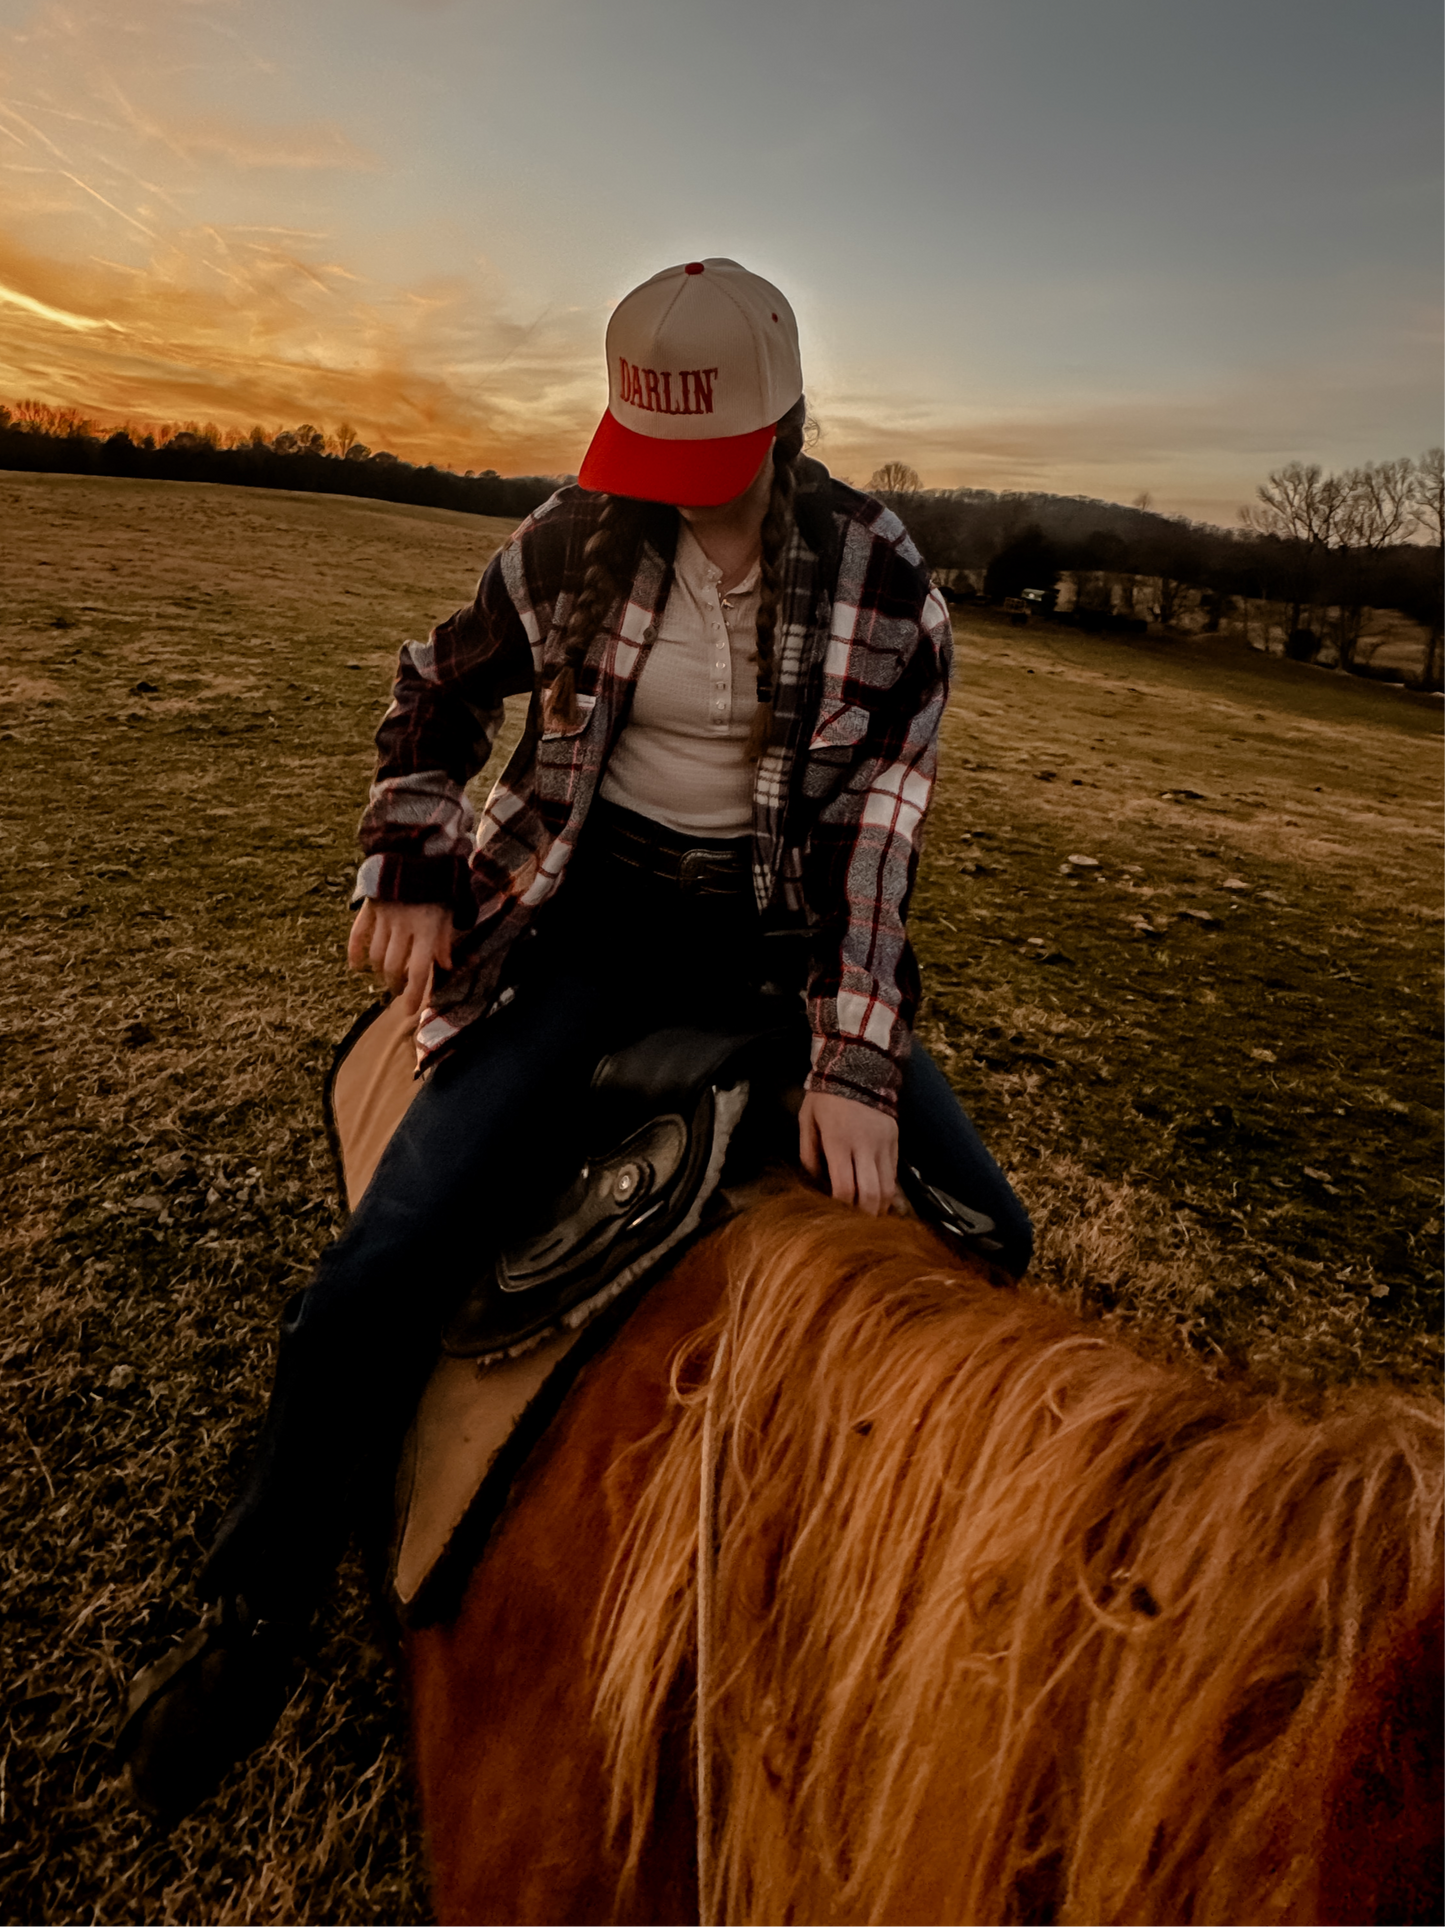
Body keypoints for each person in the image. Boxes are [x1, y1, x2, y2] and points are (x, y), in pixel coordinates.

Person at [114, 257, 1032, 1822]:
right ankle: (259, 1607)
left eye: (703, 463)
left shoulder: (889, 592)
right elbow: (434, 689)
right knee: (390, 1253)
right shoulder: (574, 540)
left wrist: (857, 1060)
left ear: (783, 426)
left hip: (780, 948)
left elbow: (882, 845)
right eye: (645, 460)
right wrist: (408, 859)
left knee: (987, 1237)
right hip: (586, 918)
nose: (670, 497)